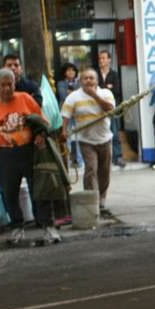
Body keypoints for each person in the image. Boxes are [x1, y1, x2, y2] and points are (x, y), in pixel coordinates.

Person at [0, 68, 57, 245]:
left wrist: (40, 135)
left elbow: (41, 121)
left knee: (39, 189)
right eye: (3, 85)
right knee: (10, 193)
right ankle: (17, 226)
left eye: (10, 84)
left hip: (28, 150)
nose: (7, 88)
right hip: (5, 155)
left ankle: (47, 225)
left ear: (14, 84)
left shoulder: (25, 98)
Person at [61, 68, 115, 215]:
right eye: (86, 78)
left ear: (97, 81)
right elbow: (66, 115)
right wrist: (64, 131)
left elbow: (110, 109)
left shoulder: (106, 93)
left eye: (92, 78)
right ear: (81, 81)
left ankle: (102, 197)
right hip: (86, 140)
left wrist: (94, 95)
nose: (89, 81)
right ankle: (92, 199)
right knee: (91, 169)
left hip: (105, 139)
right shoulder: (73, 97)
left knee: (104, 171)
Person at [96, 49, 124, 168]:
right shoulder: (95, 74)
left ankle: (118, 157)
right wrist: (107, 88)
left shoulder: (114, 74)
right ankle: (102, 159)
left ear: (109, 60)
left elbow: (117, 90)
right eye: (100, 58)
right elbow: (95, 90)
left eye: (104, 58)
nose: (101, 60)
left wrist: (104, 89)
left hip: (112, 107)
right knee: (100, 132)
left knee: (114, 132)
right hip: (98, 108)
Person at [56, 62, 83, 166]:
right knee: (66, 137)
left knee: (79, 137)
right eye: (68, 70)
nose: (71, 72)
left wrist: (70, 92)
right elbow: (63, 96)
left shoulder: (80, 82)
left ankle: (80, 161)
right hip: (66, 114)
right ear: (64, 72)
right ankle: (67, 161)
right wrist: (74, 93)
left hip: (77, 113)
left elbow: (80, 95)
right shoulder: (60, 83)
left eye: (72, 70)